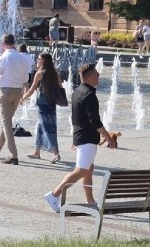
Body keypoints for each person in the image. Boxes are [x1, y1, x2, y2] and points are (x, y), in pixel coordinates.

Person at [45, 63, 117, 212]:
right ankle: (54, 195)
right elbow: (95, 121)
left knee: (88, 170)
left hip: (82, 137)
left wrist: (75, 139)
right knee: (80, 171)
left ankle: (90, 201)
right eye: (97, 75)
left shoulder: (78, 91)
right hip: (87, 138)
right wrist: (108, 138)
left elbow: (75, 118)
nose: (98, 77)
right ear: (90, 77)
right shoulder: (89, 95)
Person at [0, 33, 29, 165]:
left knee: (6, 124)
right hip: (18, 92)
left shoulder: (3, 58)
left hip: (5, 92)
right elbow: (26, 79)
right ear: (14, 42)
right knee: (6, 122)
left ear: (3, 44)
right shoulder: (22, 58)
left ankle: (13, 155)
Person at [21, 52, 63, 163]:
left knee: (47, 128)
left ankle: (56, 153)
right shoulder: (55, 73)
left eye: (39, 59)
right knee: (41, 127)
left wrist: (22, 98)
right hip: (51, 104)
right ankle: (37, 152)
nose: (37, 61)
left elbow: (31, 90)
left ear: (44, 61)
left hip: (43, 104)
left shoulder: (40, 73)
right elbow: (61, 87)